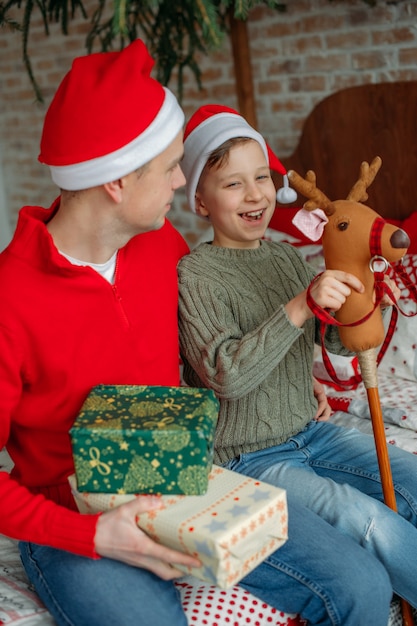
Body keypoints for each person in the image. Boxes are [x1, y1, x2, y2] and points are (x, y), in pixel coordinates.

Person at [178, 104, 417, 615]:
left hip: (310, 429)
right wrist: (301, 303)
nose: (256, 194)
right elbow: (229, 375)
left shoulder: (286, 257)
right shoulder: (195, 275)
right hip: (248, 457)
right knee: (361, 518)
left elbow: (326, 344)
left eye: (262, 177)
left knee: (408, 475)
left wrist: (354, 302)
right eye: (233, 184)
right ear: (201, 200)